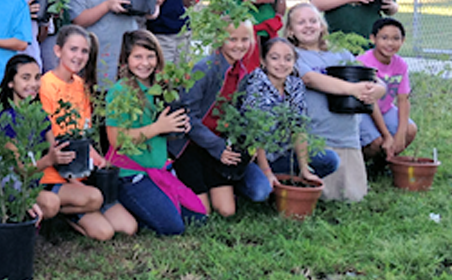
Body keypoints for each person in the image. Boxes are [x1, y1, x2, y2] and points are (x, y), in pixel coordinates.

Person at [39, 26, 138, 241]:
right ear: (58, 51)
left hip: (81, 172)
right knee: (96, 207)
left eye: (84, 51)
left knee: (125, 228)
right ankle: (62, 210)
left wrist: (98, 160)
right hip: (56, 174)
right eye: (73, 49)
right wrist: (72, 179)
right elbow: (51, 141)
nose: (79, 56)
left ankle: (78, 206)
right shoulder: (46, 85)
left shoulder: (81, 86)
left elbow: (83, 133)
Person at [104, 31, 206, 236]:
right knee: (173, 228)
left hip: (159, 169)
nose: (145, 63)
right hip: (131, 173)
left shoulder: (160, 88)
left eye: (150, 56)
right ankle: (122, 207)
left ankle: (148, 206)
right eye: (137, 57)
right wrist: (159, 127)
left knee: (198, 220)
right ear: (126, 60)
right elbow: (117, 141)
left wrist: (177, 126)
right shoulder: (120, 91)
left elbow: (163, 129)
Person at [285, 2, 385, 202]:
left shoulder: (340, 54)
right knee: (324, 195)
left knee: (353, 196)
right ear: (290, 30)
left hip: (347, 135)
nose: (308, 26)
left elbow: (370, 76)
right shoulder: (291, 55)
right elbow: (310, 79)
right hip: (317, 136)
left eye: (313, 21)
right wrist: (353, 89)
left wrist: (378, 90)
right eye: (301, 22)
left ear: (322, 26)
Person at [171, 20, 259, 216]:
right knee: (202, 213)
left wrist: (246, 142)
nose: (239, 45)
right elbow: (188, 117)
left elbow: (239, 114)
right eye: (232, 39)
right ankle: (177, 185)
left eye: (245, 39)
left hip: (217, 143)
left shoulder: (242, 72)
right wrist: (217, 147)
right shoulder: (204, 69)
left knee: (227, 211)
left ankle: (215, 186)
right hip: (190, 144)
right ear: (220, 39)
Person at [238, 37, 337, 197]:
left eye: (288, 58)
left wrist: (305, 169)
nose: (281, 64)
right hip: (253, 156)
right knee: (260, 192)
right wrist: (266, 171)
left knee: (330, 159)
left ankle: (286, 182)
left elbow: (299, 127)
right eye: (274, 58)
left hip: (280, 153)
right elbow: (256, 135)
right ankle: (254, 182)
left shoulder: (295, 84)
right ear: (263, 61)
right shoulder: (255, 84)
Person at [0, 54, 63, 221]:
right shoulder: (6, 119)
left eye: (37, 78)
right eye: (26, 78)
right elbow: (20, 170)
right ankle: (24, 219)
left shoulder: (38, 112)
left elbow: (53, 145)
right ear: (11, 83)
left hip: (41, 182)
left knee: (93, 197)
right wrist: (49, 160)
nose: (33, 84)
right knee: (51, 203)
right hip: (16, 187)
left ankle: (53, 218)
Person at [357, 17, 417, 163]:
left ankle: (383, 162)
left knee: (410, 130)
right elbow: (370, 102)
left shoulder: (400, 65)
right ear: (373, 39)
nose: (390, 43)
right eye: (384, 38)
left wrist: (400, 134)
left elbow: (403, 99)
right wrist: (387, 135)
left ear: (403, 40)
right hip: (364, 110)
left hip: (385, 110)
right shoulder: (363, 62)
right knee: (376, 142)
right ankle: (361, 167)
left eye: (396, 38)